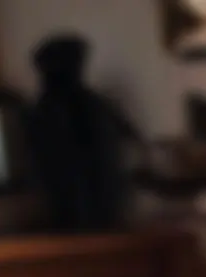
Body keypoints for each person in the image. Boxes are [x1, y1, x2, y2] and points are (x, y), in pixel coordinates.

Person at [27, 34, 139, 231]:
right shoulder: (92, 103)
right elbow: (131, 138)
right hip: (100, 211)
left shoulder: (45, 109)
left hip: (75, 214)